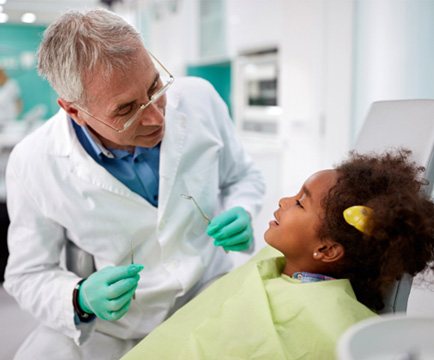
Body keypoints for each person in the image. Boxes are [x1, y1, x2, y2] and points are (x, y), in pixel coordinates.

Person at [3, 9, 265, 360]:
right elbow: (27, 273)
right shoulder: (33, 162)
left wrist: (242, 209)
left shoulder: (200, 99)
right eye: (126, 109)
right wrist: (79, 298)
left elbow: (243, 177)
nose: (157, 117)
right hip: (117, 327)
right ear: (74, 110)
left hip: (209, 292)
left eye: (155, 86)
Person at [122, 149, 434, 360]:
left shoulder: (332, 320)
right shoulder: (276, 261)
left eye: (300, 202)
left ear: (326, 249)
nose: (284, 200)